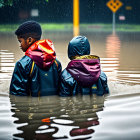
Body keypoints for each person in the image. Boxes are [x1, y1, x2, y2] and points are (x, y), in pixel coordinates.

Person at [10, 21, 62, 96]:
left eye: (20, 41)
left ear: (29, 40)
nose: (20, 45)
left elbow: (17, 95)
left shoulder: (22, 64)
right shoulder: (56, 63)